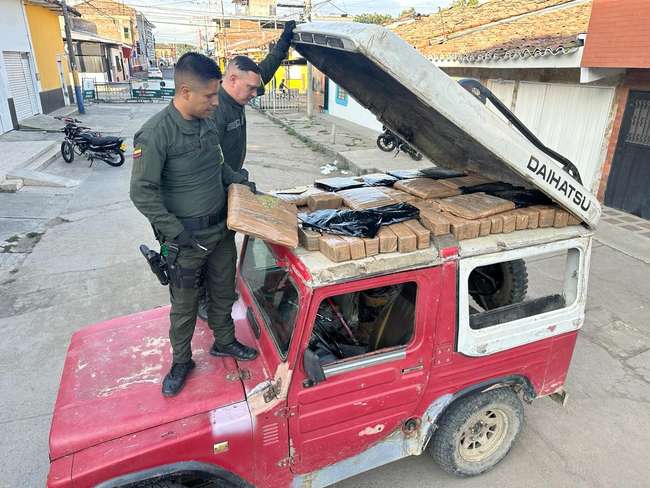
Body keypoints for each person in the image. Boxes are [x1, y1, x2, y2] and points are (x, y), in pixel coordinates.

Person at [130, 52, 258, 398]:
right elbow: (141, 192)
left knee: (222, 292)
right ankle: (182, 361)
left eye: (218, 94)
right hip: (186, 240)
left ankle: (225, 341)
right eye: (210, 95)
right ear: (185, 91)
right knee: (185, 306)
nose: (217, 102)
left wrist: (243, 184)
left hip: (220, 232)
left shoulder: (206, 125)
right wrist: (175, 232)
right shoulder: (156, 133)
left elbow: (219, 170)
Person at [196, 20, 296, 321]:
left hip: (230, 182)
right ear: (232, 79)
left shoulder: (240, 93)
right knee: (208, 245)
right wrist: (241, 183)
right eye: (251, 88)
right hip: (210, 186)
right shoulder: (216, 110)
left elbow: (263, 71)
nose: (256, 92)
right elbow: (212, 161)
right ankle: (203, 299)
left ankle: (220, 292)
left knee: (225, 242)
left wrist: (283, 45)